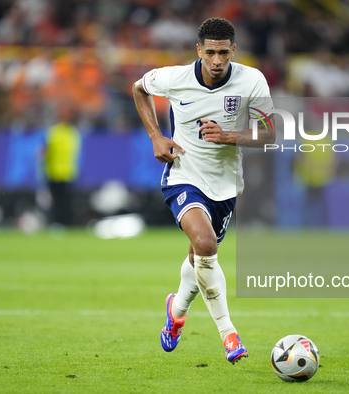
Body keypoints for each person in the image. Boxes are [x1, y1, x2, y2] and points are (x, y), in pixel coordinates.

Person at [132, 17, 275, 365]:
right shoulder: (174, 78)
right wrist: (156, 136)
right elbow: (139, 89)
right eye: (210, 52)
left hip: (226, 185)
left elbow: (269, 133)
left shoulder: (252, 80)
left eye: (223, 53)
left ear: (233, 51)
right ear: (198, 50)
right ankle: (229, 334)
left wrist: (229, 136)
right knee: (206, 244)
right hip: (183, 175)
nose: (216, 61)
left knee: (199, 258)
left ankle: (176, 310)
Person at [43, 102, 81, 226]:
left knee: (58, 201)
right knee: (64, 201)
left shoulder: (54, 132)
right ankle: (65, 223)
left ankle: (59, 223)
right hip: (65, 172)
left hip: (57, 172)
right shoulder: (73, 133)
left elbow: (45, 152)